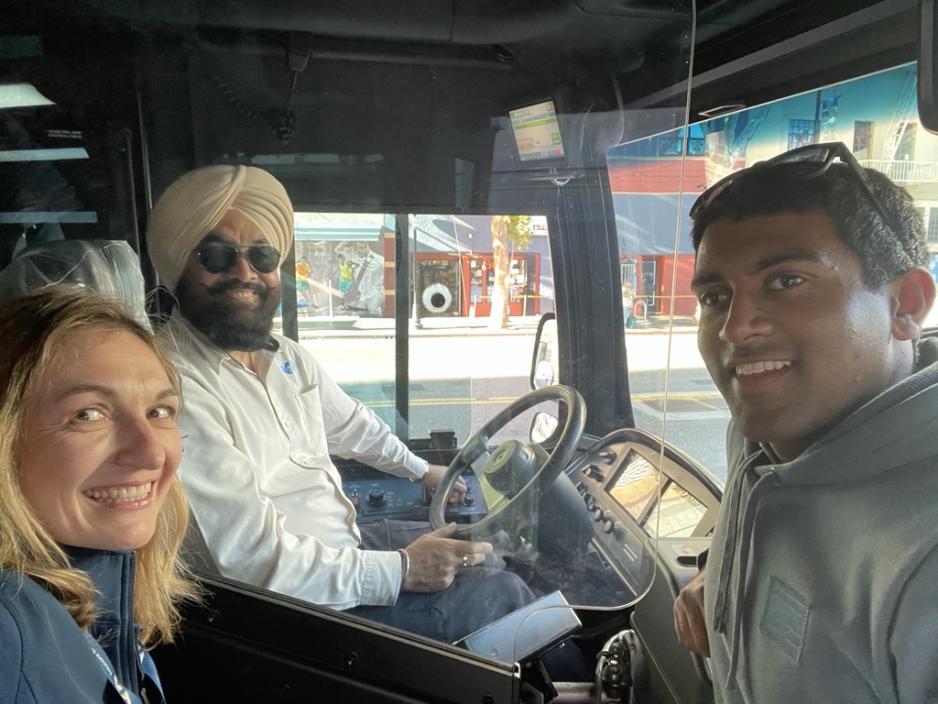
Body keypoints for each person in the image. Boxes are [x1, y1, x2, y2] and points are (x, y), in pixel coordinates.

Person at [145, 164, 534, 642]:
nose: (245, 272)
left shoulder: (286, 357)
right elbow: (253, 566)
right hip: (293, 616)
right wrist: (402, 570)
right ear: (179, 263)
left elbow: (353, 426)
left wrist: (424, 472)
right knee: (503, 594)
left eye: (262, 255)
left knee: (483, 548)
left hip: (338, 548)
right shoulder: (169, 385)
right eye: (217, 254)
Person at [672, 142, 938, 702]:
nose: (735, 329)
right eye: (716, 297)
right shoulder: (760, 436)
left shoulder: (924, 558)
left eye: (785, 281)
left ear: (905, 306)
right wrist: (722, 577)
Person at [0, 287, 196, 703]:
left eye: (159, 412)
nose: (150, 452)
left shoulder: (95, 602)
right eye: (88, 414)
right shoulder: (9, 625)